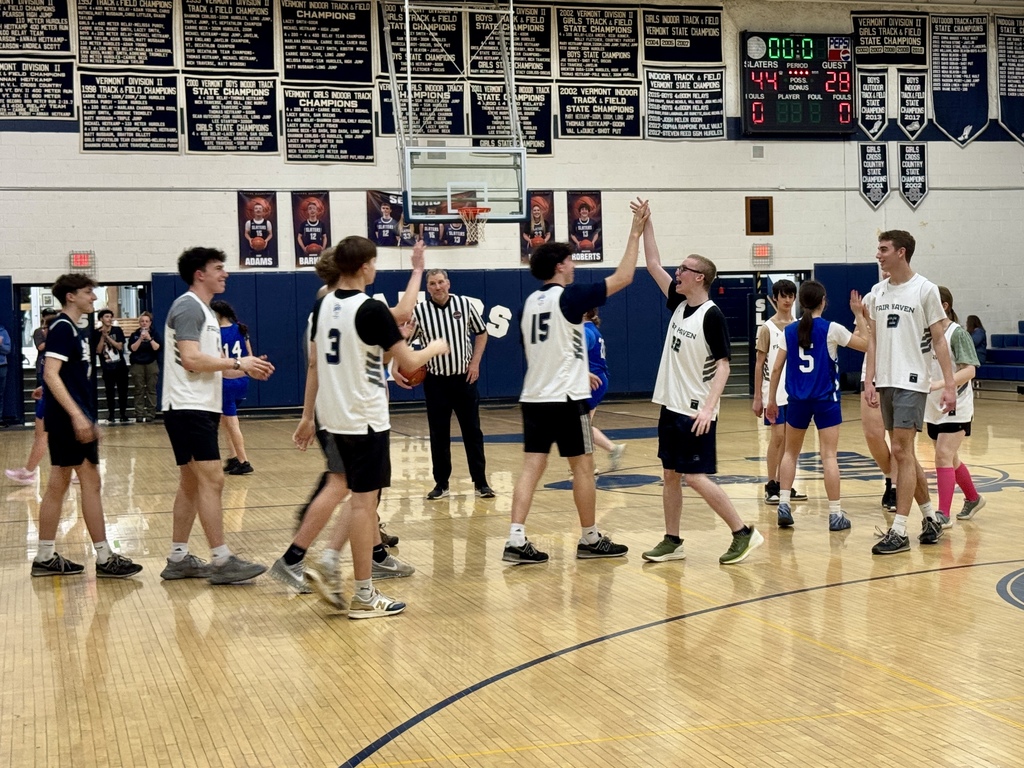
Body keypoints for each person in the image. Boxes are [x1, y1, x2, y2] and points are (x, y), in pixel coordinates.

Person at [274, 236, 448, 618]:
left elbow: (333, 359)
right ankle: (363, 593)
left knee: (356, 497)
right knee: (364, 504)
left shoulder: (323, 307)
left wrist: (307, 416)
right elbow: (411, 358)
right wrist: (436, 347)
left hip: (335, 417)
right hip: (365, 418)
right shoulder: (370, 309)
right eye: (374, 262)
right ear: (365, 266)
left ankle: (331, 561)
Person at [503, 200, 649, 565]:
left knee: (531, 469)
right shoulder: (570, 297)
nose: (573, 264)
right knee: (582, 467)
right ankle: (589, 538)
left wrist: (574, 366)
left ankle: (515, 539)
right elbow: (625, 277)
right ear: (559, 266)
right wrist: (635, 231)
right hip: (566, 400)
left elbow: (539, 351)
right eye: (569, 260)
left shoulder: (529, 304)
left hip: (535, 397)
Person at [639, 206, 763, 566]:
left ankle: (743, 532)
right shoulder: (679, 302)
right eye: (678, 268)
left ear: (700, 278)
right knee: (670, 475)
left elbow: (725, 367)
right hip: (671, 405)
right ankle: (673, 540)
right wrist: (647, 223)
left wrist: (708, 408)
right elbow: (651, 263)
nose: (676, 273)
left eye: (683, 269)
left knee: (693, 476)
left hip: (695, 411)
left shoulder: (712, 315)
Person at [160, 247, 275, 584]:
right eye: (218, 268)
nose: (225, 274)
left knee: (192, 483)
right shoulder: (187, 307)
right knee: (213, 479)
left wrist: (247, 369)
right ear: (200, 273)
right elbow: (192, 359)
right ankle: (222, 561)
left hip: (199, 406)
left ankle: (178, 557)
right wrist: (238, 362)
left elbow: (211, 367)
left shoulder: (207, 313)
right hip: (187, 407)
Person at [30, 273, 142, 578]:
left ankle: (44, 556)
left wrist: (49, 390)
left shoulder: (75, 329)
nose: (94, 297)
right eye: (88, 292)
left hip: (70, 415)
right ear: (71, 296)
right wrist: (78, 415)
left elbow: (57, 376)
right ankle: (104, 558)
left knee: (60, 485)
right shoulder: (63, 327)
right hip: (71, 420)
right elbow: (52, 373)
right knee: (87, 483)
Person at [864, 230, 957, 555]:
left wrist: (948, 384)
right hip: (886, 381)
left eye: (883, 249)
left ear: (901, 252)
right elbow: (873, 340)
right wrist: (869, 379)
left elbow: (940, 340)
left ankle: (899, 530)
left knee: (902, 451)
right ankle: (931, 517)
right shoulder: (876, 293)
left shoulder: (925, 290)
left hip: (912, 380)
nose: (878, 254)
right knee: (905, 455)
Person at [766, 280, 868, 531]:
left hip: (798, 400)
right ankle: (834, 514)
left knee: (790, 453)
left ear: (801, 302)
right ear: (823, 301)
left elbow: (777, 367)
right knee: (829, 456)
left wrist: (770, 399)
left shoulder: (789, 330)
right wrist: (859, 315)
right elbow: (865, 344)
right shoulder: (832, 329)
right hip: (826, 400)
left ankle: (784, 505)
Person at [399, 268, 493, 499]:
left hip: (464, 379)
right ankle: (441, 483)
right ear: (427, 287)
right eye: (432, 283)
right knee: (438, 434)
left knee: (472, 432)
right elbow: (405, 343)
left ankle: (480, 482)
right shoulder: (420, 312)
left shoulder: (464, 304)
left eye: (441, 282)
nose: (438, 287)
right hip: (436, 381)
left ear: (448, 283)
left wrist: (475, 363)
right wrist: (398, 354)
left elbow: (481, 333)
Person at [925, 287, 985, 526]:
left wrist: (942, 383)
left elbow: (970, 370)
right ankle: (973, 497)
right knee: (952, 459)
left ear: (945, 306)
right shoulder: (927, 334)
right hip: (933, 405)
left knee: (942, 456)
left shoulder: (957, 333)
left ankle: (943, 514)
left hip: (956, 403)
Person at [750, 279, 807, 505]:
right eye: (783, 296)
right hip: (772, 394)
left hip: (795, 393)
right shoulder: (767, 328)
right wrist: (758, 397)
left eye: (791, 295)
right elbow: (759, 363)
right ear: (775, 298)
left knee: (790, 442)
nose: (787, 300)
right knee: (778, 437)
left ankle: (785, 485)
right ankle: (771, 484)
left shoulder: (800, 326)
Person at [211, 300, 254, 475]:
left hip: (226, 380)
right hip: (242, 378)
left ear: (218, 315)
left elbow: (220, 360)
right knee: (226, 421)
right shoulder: (241, 329)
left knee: (231, 422)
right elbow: (250, 357)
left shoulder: (215, 333)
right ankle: (233, 457)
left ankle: (244, 461)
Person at [6, 315, 51, 484]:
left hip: (55, 399)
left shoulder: (59, 349)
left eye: (46, 328)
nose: (43, 330)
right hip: (48, 394)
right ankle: (29, 471)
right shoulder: (49, 350)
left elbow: (62, 376)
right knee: (43, 436)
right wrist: (43, 387)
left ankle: (28, 472)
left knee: (45, 437)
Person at [582, 309, 626, 472]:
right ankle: (612, 450)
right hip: (597, 380)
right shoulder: (592, 330)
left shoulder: (585, 332)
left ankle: (587, 465)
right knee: (583, 424)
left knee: (579, 425)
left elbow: (574, 356)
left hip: (591, 380)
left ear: (585, 313)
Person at [93, 308, 130, 424]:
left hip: (120, 366)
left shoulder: (117, 330)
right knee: (109, 392)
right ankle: (111, 414)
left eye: (110, 317)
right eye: (106, 317)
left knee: (123, 390)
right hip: (107, 367)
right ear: (101, 319)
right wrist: (102, 337)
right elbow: (98, 351)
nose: (109, 319)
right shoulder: (96, 333)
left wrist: (108, 337)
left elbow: (120, 347)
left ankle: (123, 414)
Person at [128, 311, 161, 422]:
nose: (144, 323)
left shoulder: (155, 333)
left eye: (146, 321)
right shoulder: (134, 334)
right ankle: (139, 414)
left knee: (151, 389)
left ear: (150, 323)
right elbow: (133, 348)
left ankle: (151, 414)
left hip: (151, 363)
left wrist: (149, 338)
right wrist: (141, 339)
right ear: (139, 323)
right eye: (142, 321)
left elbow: (157, 347)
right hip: (137, 364)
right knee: (139, 390)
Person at [0, 320, 10, 426]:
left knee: (0, 394)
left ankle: (0, 418)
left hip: (2, 366)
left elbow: (8, 350)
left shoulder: (3, 332)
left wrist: (0, 345)